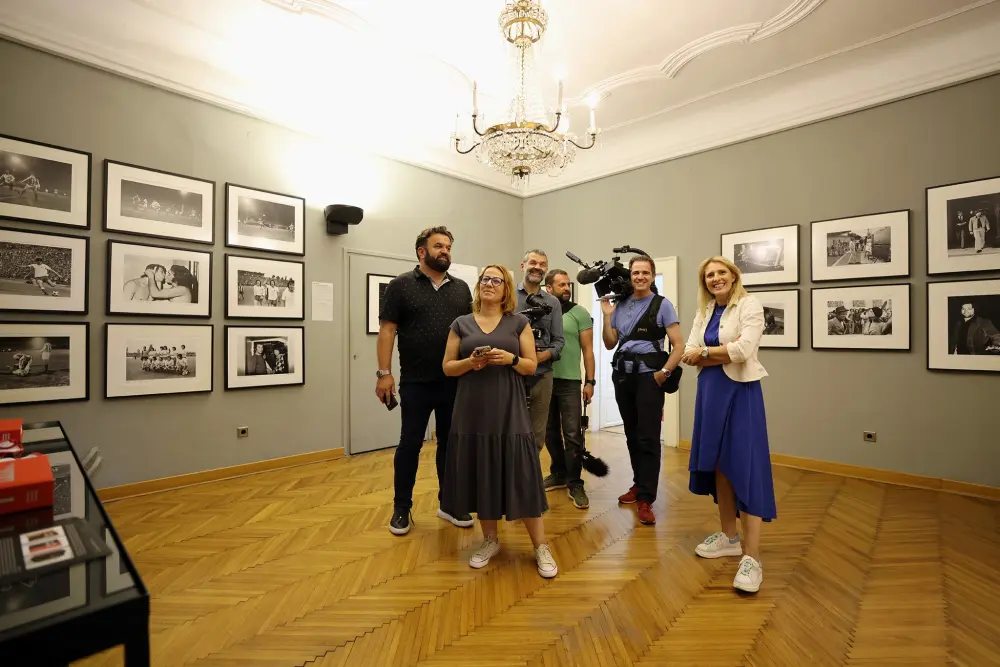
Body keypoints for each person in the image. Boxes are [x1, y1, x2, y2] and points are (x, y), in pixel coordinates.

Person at [441, 265, 556, 578]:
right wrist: (471, 362)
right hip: (471, 409)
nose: (489, 283)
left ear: (506, 289)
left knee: (522, 471)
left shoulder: (518, 323)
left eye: (496, 280)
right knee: (482, 469)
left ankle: (540, 545)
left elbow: (532, 366)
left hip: (509, 407)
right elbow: (448, 367)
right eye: (485, 279)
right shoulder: (460, 323)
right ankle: (490, 540)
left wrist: (512, 359)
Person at [681, 256, 776, 594]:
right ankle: (729, 537)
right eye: (709, 275)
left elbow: (744, 350)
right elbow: (687, 349)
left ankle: (752, 558)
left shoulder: (749, 304)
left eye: (721, 273)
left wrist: (705, 354)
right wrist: (714, 352)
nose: (715, 279)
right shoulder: (705, 311)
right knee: (720, 465)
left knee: (746, 468)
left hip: (740, 393)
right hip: (710, 393)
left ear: (733, 277)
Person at [377, 226, 475, 536]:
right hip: (416, 382)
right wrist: (384, 374)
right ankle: (402, 509)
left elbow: (470, 332)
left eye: (448, 246)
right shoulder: (401, 286)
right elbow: (387, 331)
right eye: (438, 246)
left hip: (454, 380)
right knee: (410, 445)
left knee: (450, 444)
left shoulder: (461, 289)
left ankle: (449, 503)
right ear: (422, 251)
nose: (445, 251)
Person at [600, 255, 684, 525]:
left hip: (649, 378)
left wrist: (663, 374)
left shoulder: (662, 305)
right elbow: (610, 343)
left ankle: (646, 498)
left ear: (652, 276)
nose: (639, 277)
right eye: (635, 272)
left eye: (645, 273)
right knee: (632, 434)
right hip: (622, 376)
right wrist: (607, 316)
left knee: (648, 437)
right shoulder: (621, 304)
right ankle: (638, 484)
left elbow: (678, 345)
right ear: (630, 275)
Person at [542, 269, 596, 509]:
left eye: (568, 284)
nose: (567, 288)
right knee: (548, 430)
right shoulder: (541, 312)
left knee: (573, 433)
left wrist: (590, 381)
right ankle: (559, 472)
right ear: (549, 289)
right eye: (561, 285)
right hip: (542, 379)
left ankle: (575, 482)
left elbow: (588, 351)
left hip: (571, 382)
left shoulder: (579, 313)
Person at [515, 250, 564, 458]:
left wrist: (541, 357)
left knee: (537, 435)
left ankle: (530, 484)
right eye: (533, 262)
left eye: (542, 264)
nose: (537, 267)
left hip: (542, 374)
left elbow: (559, 341)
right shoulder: (508, 296)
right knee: (512, 430)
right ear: (523, 265)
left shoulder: (552, 303)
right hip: (512, 372)